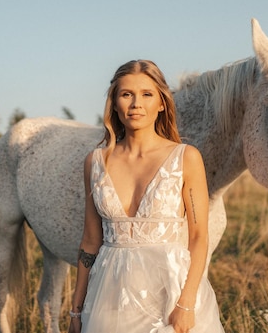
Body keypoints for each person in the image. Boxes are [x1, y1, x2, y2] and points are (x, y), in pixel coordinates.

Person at [68, 60, 224, 333]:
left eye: (147, 94)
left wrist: (186, 303)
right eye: (126, 94)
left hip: (169, 295)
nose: (136, 104)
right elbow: (90, 242)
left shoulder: (186, 158)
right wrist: (76, 310)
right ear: (115, 103)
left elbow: (199, 237)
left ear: (162, 103)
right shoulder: (95, 162)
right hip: (110, 293)